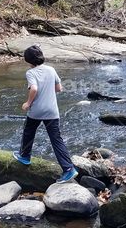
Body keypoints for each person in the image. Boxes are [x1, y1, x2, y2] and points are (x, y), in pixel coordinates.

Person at [12, 45, 79, 182]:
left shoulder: (30, 73)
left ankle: (25, 156)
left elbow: (34, 89)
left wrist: (28, 103)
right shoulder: (51, 69)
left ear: (28, 60)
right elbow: (59, 88)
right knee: (56, 139)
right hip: (52, 111)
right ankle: (68, 169)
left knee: (29, 131)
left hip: (37, 111)